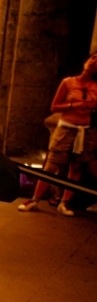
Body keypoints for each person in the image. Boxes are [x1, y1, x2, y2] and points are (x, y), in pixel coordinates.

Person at [18, 52, 97, 216]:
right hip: (66, 127)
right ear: (86, 61)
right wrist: (73, 105)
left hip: (85, 130)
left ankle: (65, 202)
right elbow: (55, 107)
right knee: (51, 165)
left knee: (76, 167)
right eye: (93, 58)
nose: (94, 62)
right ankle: (35, 200)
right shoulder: (68, 82)